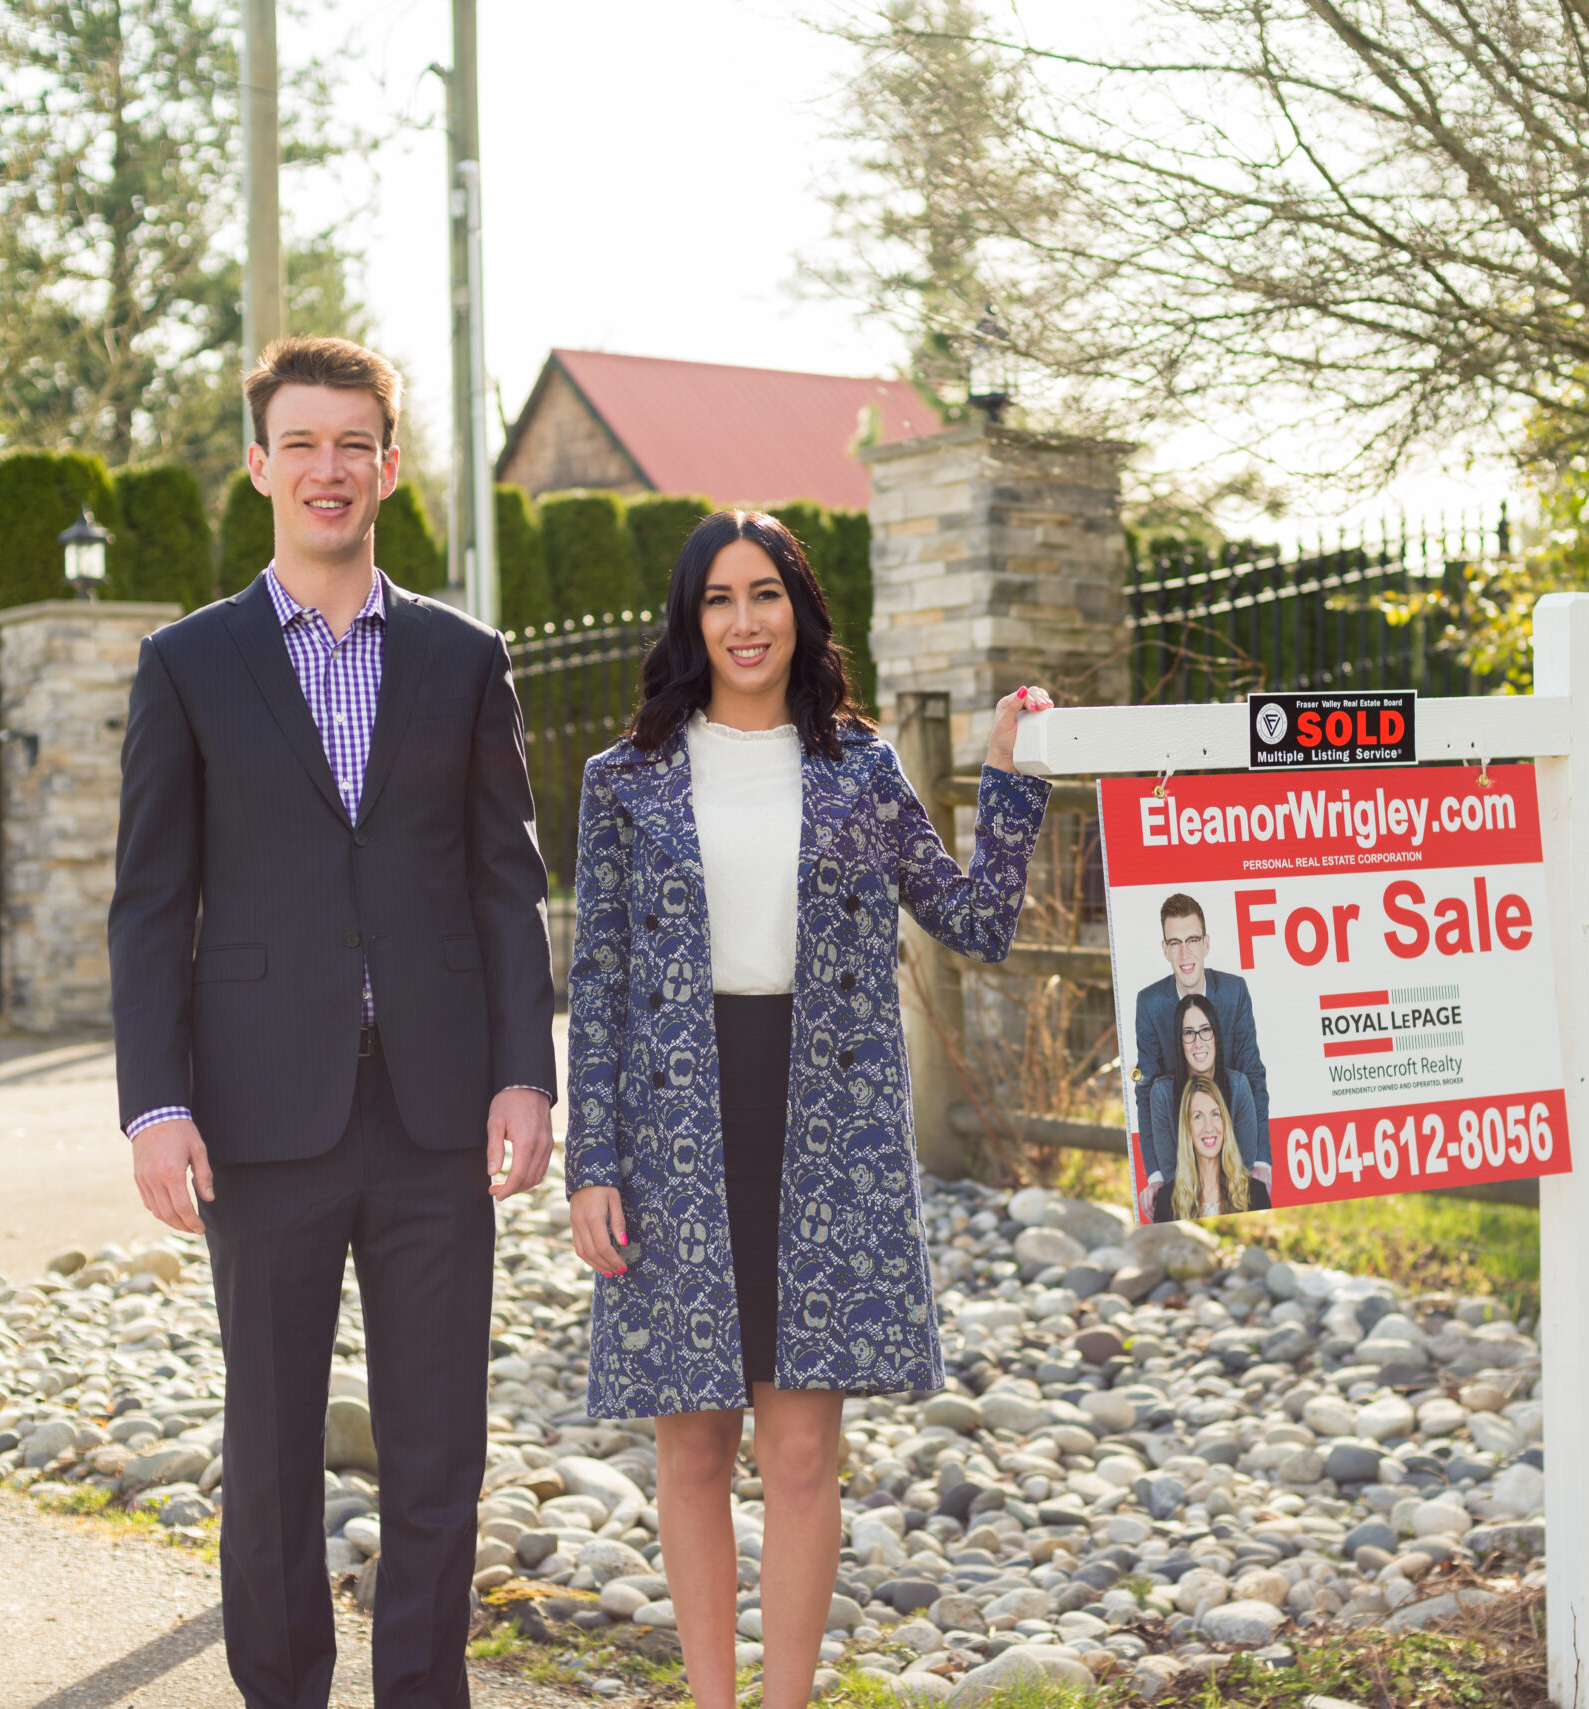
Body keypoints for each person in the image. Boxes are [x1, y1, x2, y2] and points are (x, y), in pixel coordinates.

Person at [108, 335, 558, 1709]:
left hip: (434, 1115)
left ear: (388, 465)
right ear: (260, 464)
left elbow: (503, 877)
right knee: (271, 1442)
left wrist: (524, 1074)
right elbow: (147, 903)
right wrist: (155, 1100)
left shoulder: (461, 656)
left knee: (439, 1451)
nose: (326, 467)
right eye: (299, 442)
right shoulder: (188, 666)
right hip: (260, 1114)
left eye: (350, 442)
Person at [559, 510, 1052, 1709]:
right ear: (690, 620)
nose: (743, 620)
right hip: (675, 1129)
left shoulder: (859, 766)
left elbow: (974, 918)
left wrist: (1012, 780)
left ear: (799, 611)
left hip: (827, 1134)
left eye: (764, 594)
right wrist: (591, 1162)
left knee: (797, 1449)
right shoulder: (621, 784)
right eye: (719, 598)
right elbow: (601, 985)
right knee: (690, 1446)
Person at [1130, 892, 1267, 1221]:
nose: (1185, 953)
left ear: (1206, 943)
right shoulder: (1149, 1003)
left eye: (1192, 940)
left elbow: (1253, 1074)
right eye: (1175, 943)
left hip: (1233, 1132)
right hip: (1177, 1139)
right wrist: (1157, 1178)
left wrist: (1261, 1161)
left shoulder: (1234, 991)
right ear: (1164, 949)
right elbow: (1145, 1090)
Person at [1140, 991, 1266, 1218]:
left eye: (1205, 1031)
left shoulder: (1238, 1086)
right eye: (1189, 1033)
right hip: (1185, 1207)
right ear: (1180, 1041)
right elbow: (1170, 1171)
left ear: (1216, 1036)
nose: (1198, 1042)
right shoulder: (1163, 1093)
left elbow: (1244, 1161)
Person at [1160, 1074, 1266, 1221]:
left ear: (1225, 1122)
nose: (1209, 1127)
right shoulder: (1165, 1200)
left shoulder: (1256, 1192)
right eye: (1198, 1116)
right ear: (1187, 1128)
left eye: (1215, 1114)